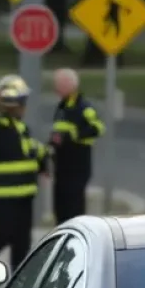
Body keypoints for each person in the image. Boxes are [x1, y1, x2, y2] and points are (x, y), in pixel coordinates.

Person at [0, 80, 48, 271]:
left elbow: (31, 151)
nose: (25, 107)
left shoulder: (22, 129)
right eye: (23, 103)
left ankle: (18, 283)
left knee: (22, 242)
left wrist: (44, 162)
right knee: (3, 236)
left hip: (25, 196)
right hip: (4, 196)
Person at [49, 68, 105, 224]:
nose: (55, 88)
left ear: (69, 85)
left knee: (73, 211)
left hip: (77, 166)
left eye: (58, 84)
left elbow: (98, 128)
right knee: (59, 210)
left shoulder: (83, 107)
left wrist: (73, 136)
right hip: (61, 166)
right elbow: (58, 131)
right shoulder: (62, 106)